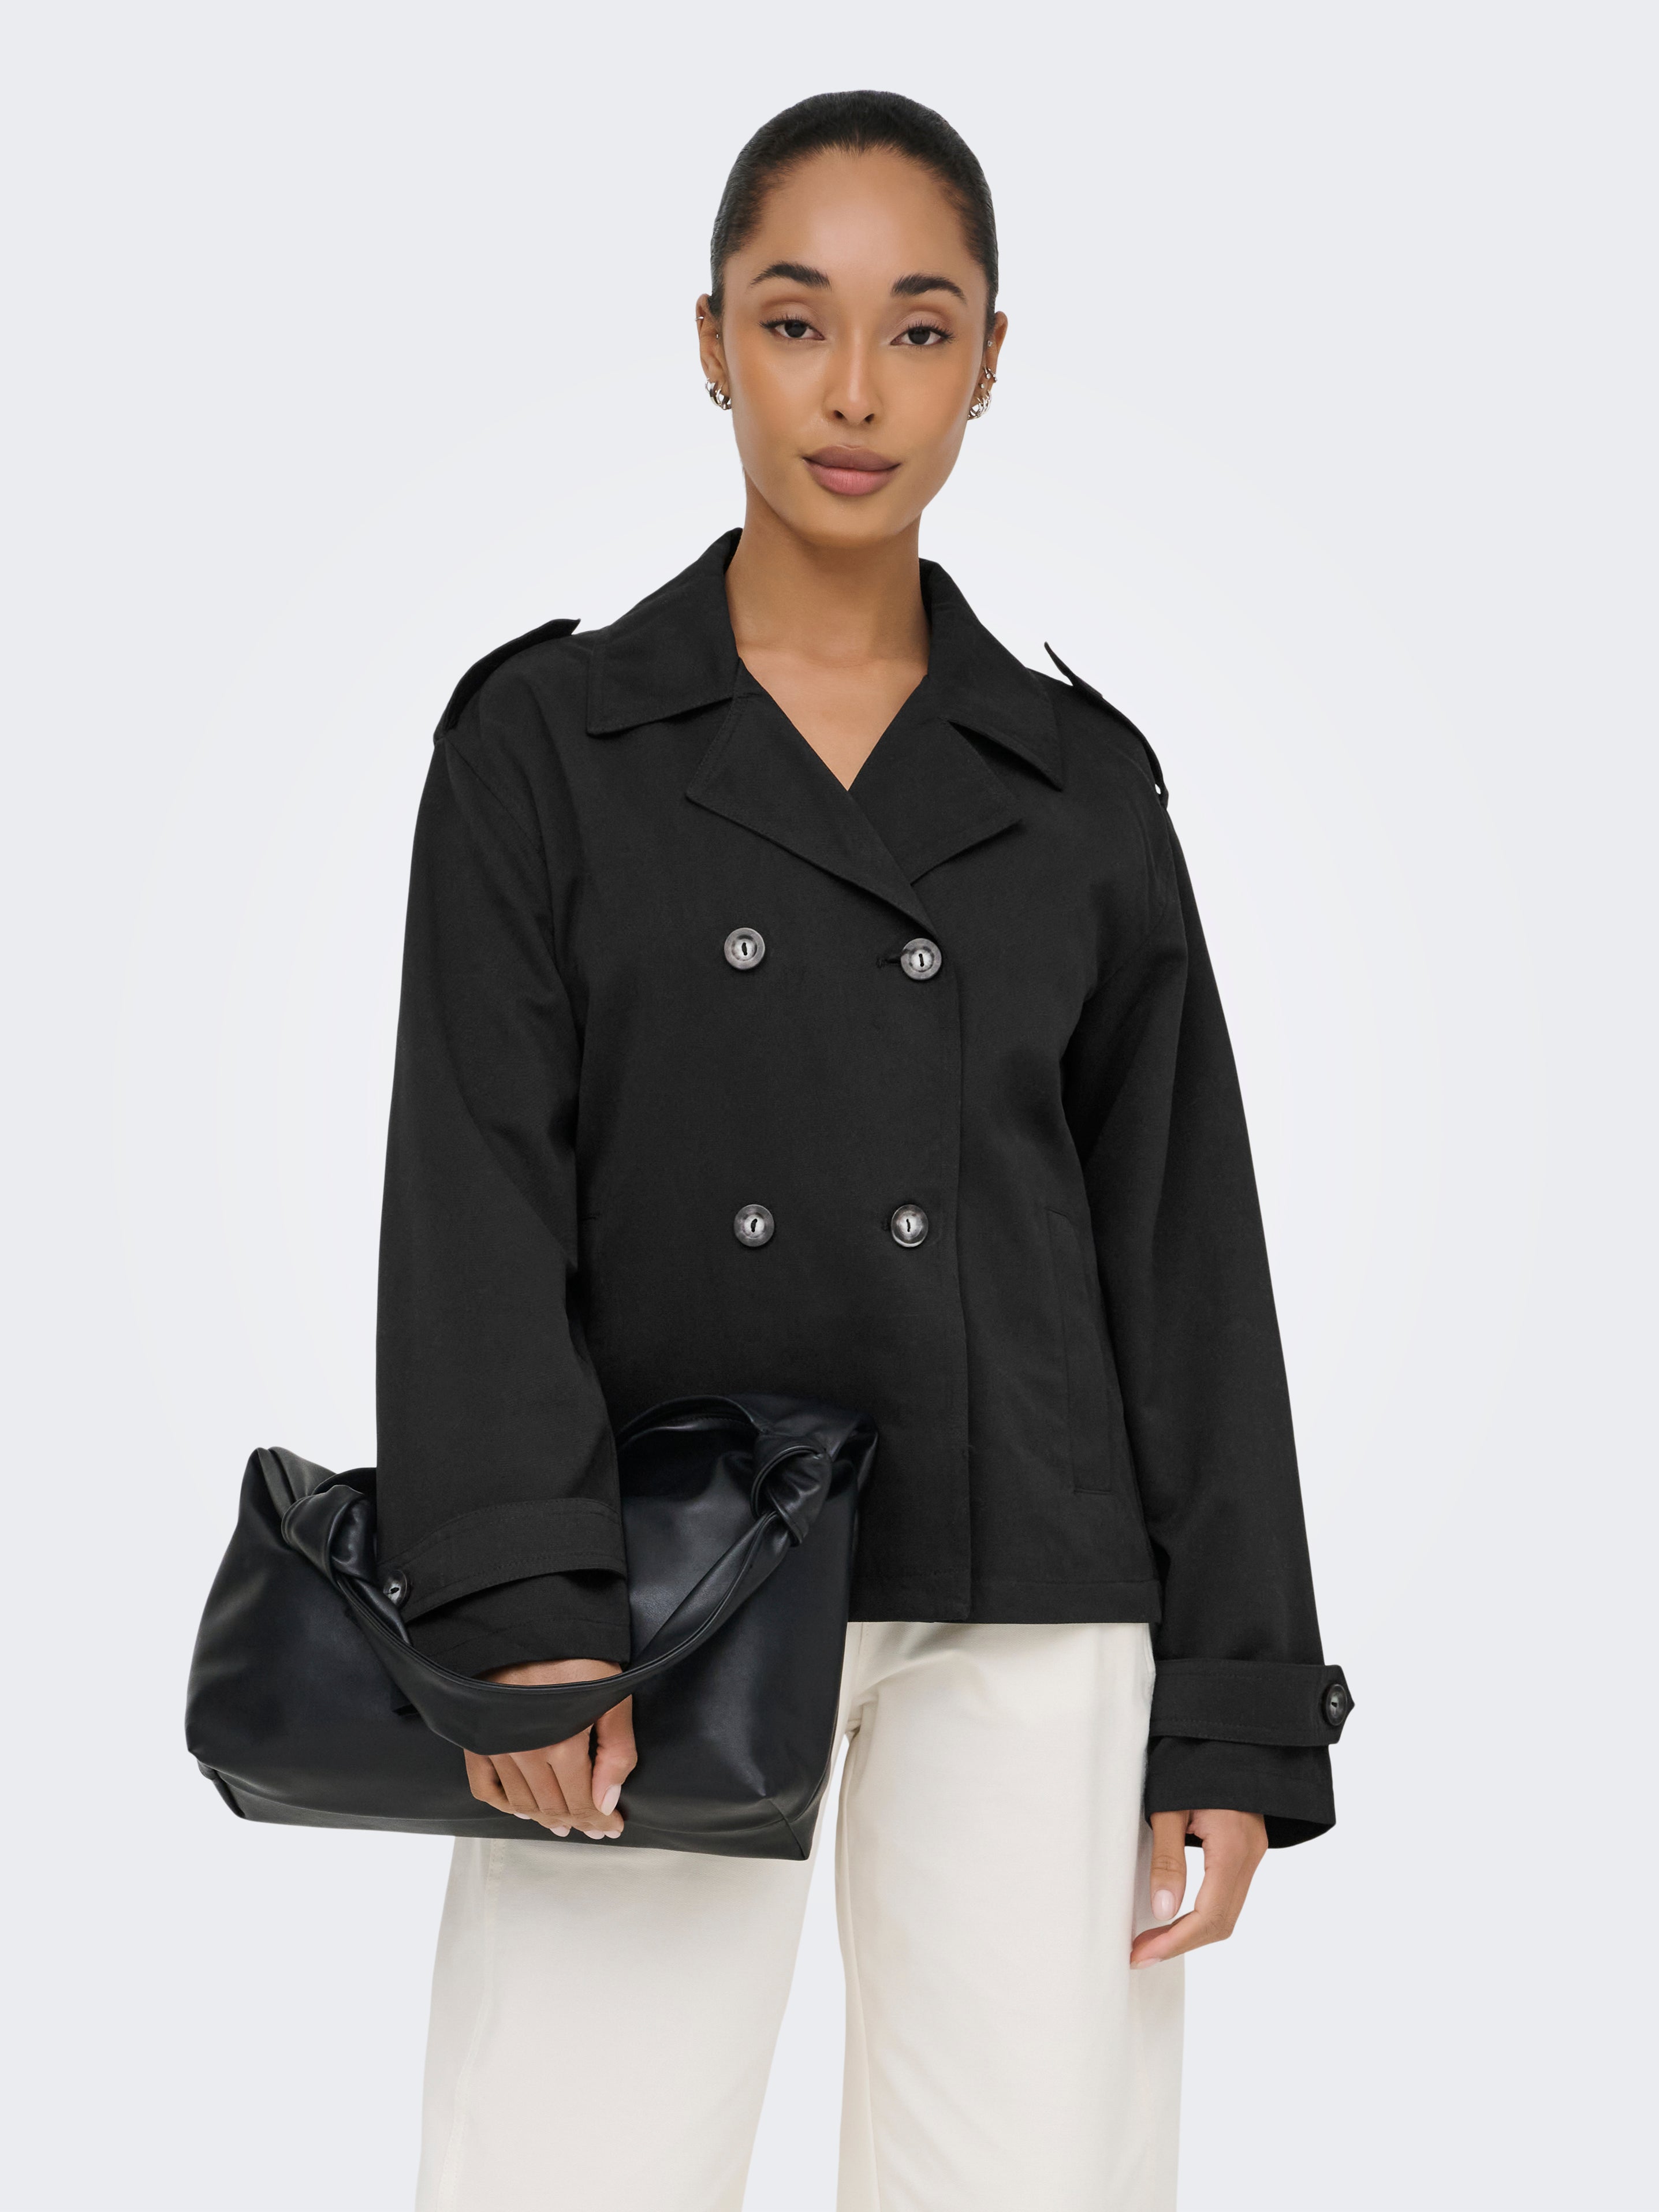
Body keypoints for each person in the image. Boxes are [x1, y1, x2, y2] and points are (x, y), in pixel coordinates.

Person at [376, 87, 1350, 2212]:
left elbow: (1182, 1249)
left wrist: (1233, 1707)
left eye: (917, 328)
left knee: (1024, 2181)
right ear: (709, 340)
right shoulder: (549, 746)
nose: (852, 390)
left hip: (1031, 1588)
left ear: (989, 358)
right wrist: (522, 1600)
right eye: (793, 318)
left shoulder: (1077, 783)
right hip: (660, 1584)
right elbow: (470, 1189)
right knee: (568, 2167)